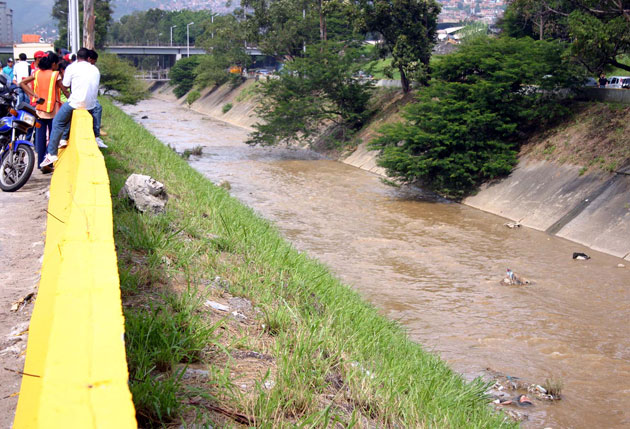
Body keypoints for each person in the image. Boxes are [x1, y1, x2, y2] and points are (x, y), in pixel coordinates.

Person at [39, 48, 104, 169]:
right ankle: (96, 137)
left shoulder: (72, 67)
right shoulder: (95, 69)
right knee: (69, 115)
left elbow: (66, 85)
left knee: (58, 122)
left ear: (78, 57)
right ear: (88, 58)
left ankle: (52, 153)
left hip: (76, 102)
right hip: (91, 104)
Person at [20, 53, 69, 170]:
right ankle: (47, 163)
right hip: (53, 111)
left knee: (40, 138)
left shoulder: (36, 73)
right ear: (53, 64)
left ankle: (40, 163)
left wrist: (34, 95)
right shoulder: (55, 75)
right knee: (53, 137)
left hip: (40, 110)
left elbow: (22, 83)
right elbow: (64, 90)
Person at [86, 49, 107, 142]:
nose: (94, 63)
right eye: (94, 61)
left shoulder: (74, 67)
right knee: (97, 108)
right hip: (82, 99)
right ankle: (96, 135)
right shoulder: (93, 70)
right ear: (90, 59)